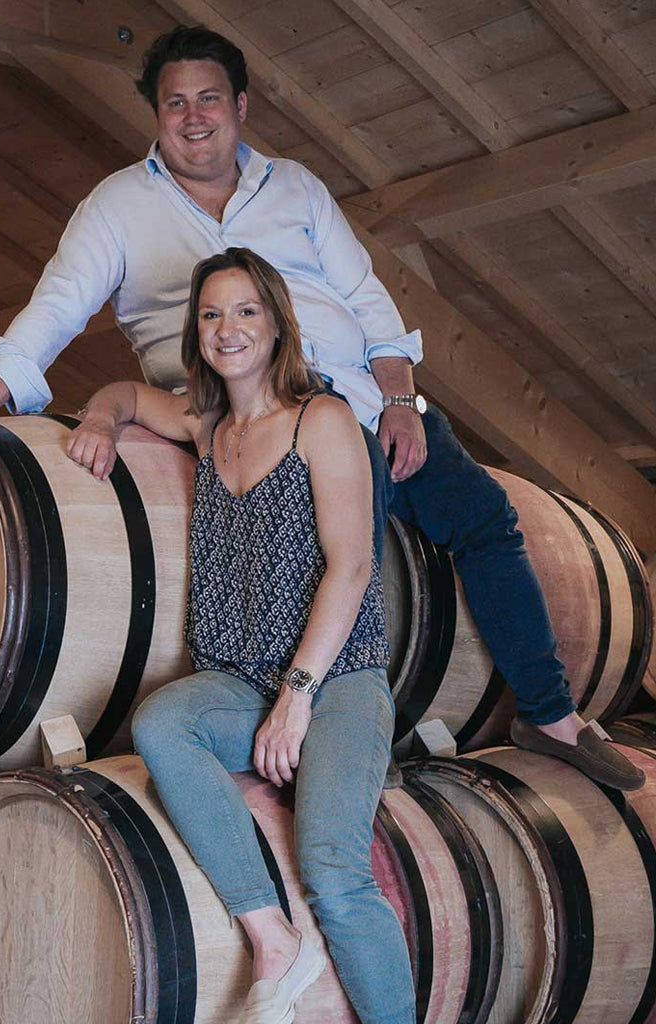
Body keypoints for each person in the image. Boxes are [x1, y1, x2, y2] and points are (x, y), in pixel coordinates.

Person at [0, 26, 642, 790]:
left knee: (485, 518)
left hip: (361, 400)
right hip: (252, 419)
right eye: (175, 102)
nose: (193, 116)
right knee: (349, 562)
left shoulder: (297, 187)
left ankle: (549, 714)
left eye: (209, 98)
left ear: (241, 105)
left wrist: (402, 402)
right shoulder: (118, 206)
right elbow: (55, 309)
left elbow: (369, 304)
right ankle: (324, 739)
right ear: (156, 114)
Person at [68, 247, 415, 1024]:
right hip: (238, 677)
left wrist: (297, 699)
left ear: (276, 323)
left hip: (338, 678)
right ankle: (272, 939)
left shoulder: (322, 419)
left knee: (331, 868)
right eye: (212, 313)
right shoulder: (207, 426)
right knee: (161, 724)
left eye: (246, 310)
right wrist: (97, 415)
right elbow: (124, 393)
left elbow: (353, 568)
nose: (229, 328)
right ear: (197, 331)